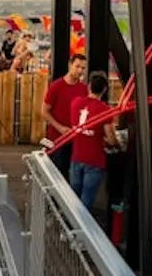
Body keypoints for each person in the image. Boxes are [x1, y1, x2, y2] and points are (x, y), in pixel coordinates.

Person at [68, 72, 121, 210]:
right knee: (87, 199)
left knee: (72, 197)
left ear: (89, 86)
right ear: (104, 89)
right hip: (95, 160)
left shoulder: (75, 103)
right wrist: (116, 142)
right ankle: (81, 227)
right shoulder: (103, 109)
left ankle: (68, 225)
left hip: (76, 157)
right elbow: (111, 138)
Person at [41, 53, 87, 178]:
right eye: (77, 67)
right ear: (70, 65)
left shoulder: (83, 89)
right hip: (57, 140)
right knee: (57, 175)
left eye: (83, 68)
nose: (80, 71)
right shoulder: (56, 86)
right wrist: (59, 127)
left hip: (75, 139)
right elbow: (44, 111)